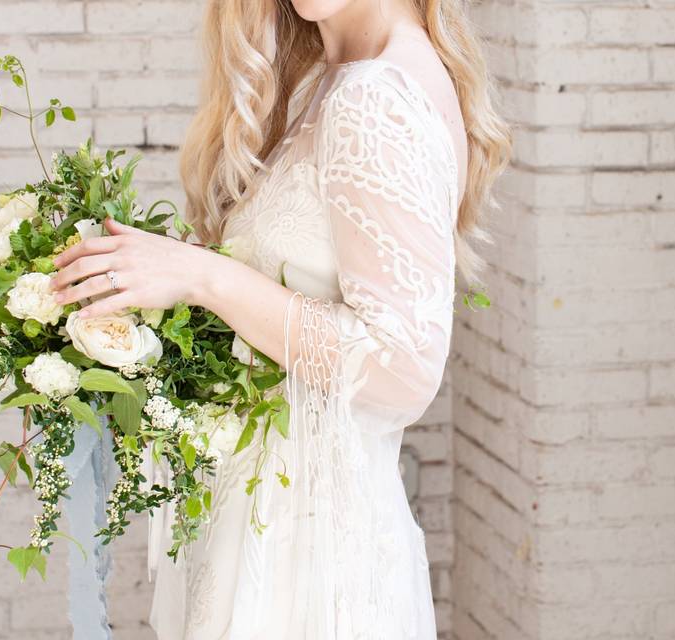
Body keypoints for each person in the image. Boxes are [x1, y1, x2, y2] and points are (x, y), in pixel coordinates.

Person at [50, 0, 511, 637]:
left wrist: (206, 278)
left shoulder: (375, 97)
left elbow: (403, 368)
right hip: (270, 524)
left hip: (309, 560)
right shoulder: (329, 79)